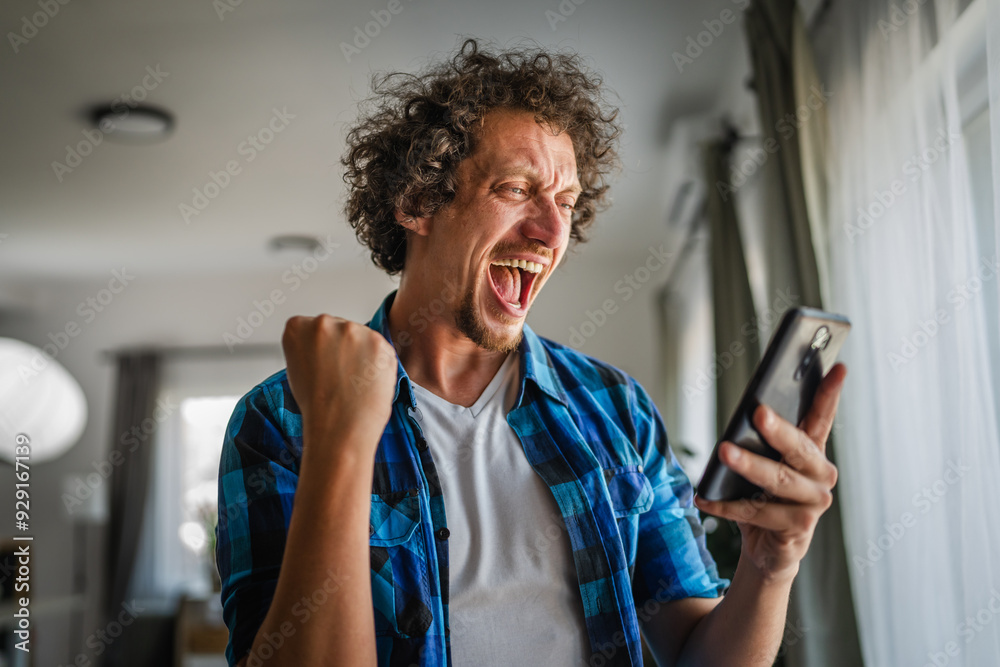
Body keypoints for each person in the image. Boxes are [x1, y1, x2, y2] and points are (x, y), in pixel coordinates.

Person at [216, 38, 846, 667]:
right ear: (416, 202)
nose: (550, 233)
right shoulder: (282, 419)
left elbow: (698, 656)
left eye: (565, 203)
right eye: (515, 189)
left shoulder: (615, 407)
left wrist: (769, 569)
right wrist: (341, 438)